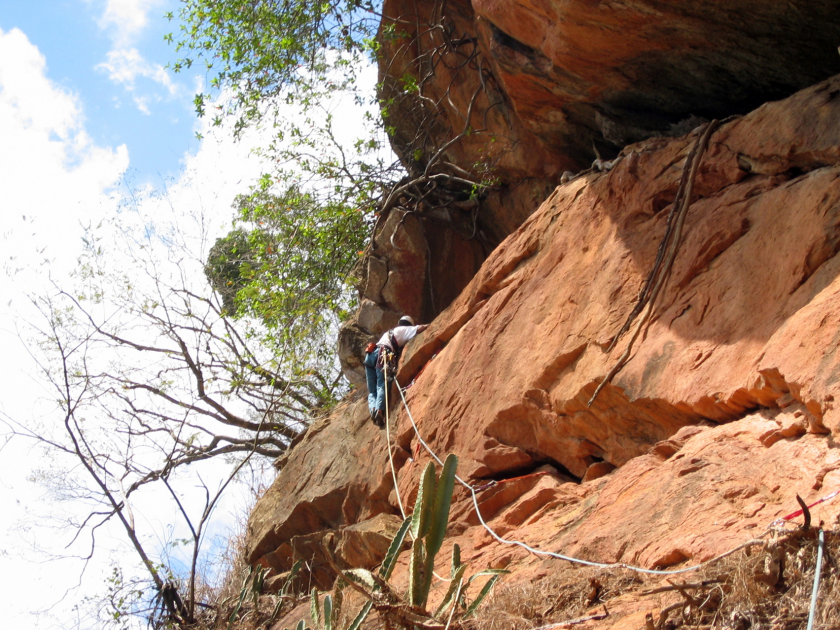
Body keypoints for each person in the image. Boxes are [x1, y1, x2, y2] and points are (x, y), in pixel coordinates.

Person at [364, 315, 429, 426]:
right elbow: (420, 328)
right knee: (382, 383)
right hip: (382, 353)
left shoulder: (390, 332)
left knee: (372, 390)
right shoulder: (405, 329)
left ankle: (373, 408)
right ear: (409, 324)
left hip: (370, 356)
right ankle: (379, 410)